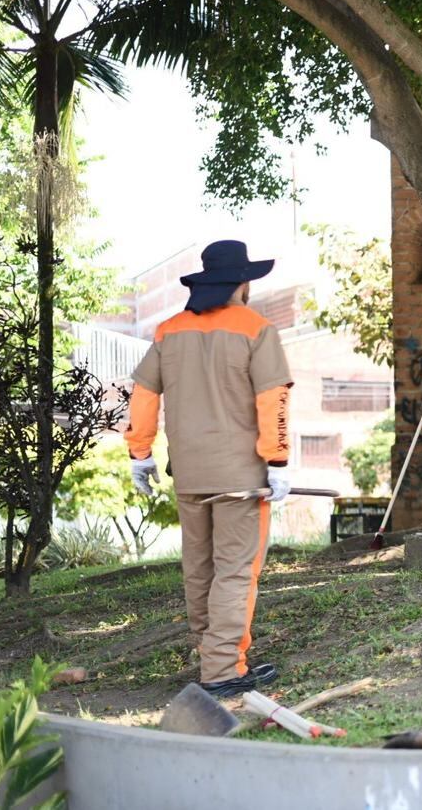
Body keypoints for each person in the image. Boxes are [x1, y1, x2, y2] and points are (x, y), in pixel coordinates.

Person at [125, 240, 293, 698]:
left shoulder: (168, 330)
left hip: (190, 475)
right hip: (241, 477)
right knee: (236, 570)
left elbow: (142, 394)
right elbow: (272, 398)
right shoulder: (257, 330)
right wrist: (277, 461)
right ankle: (221, 670)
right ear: (243, 285)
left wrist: (140, 454)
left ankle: (211, 654)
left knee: (198, 567)